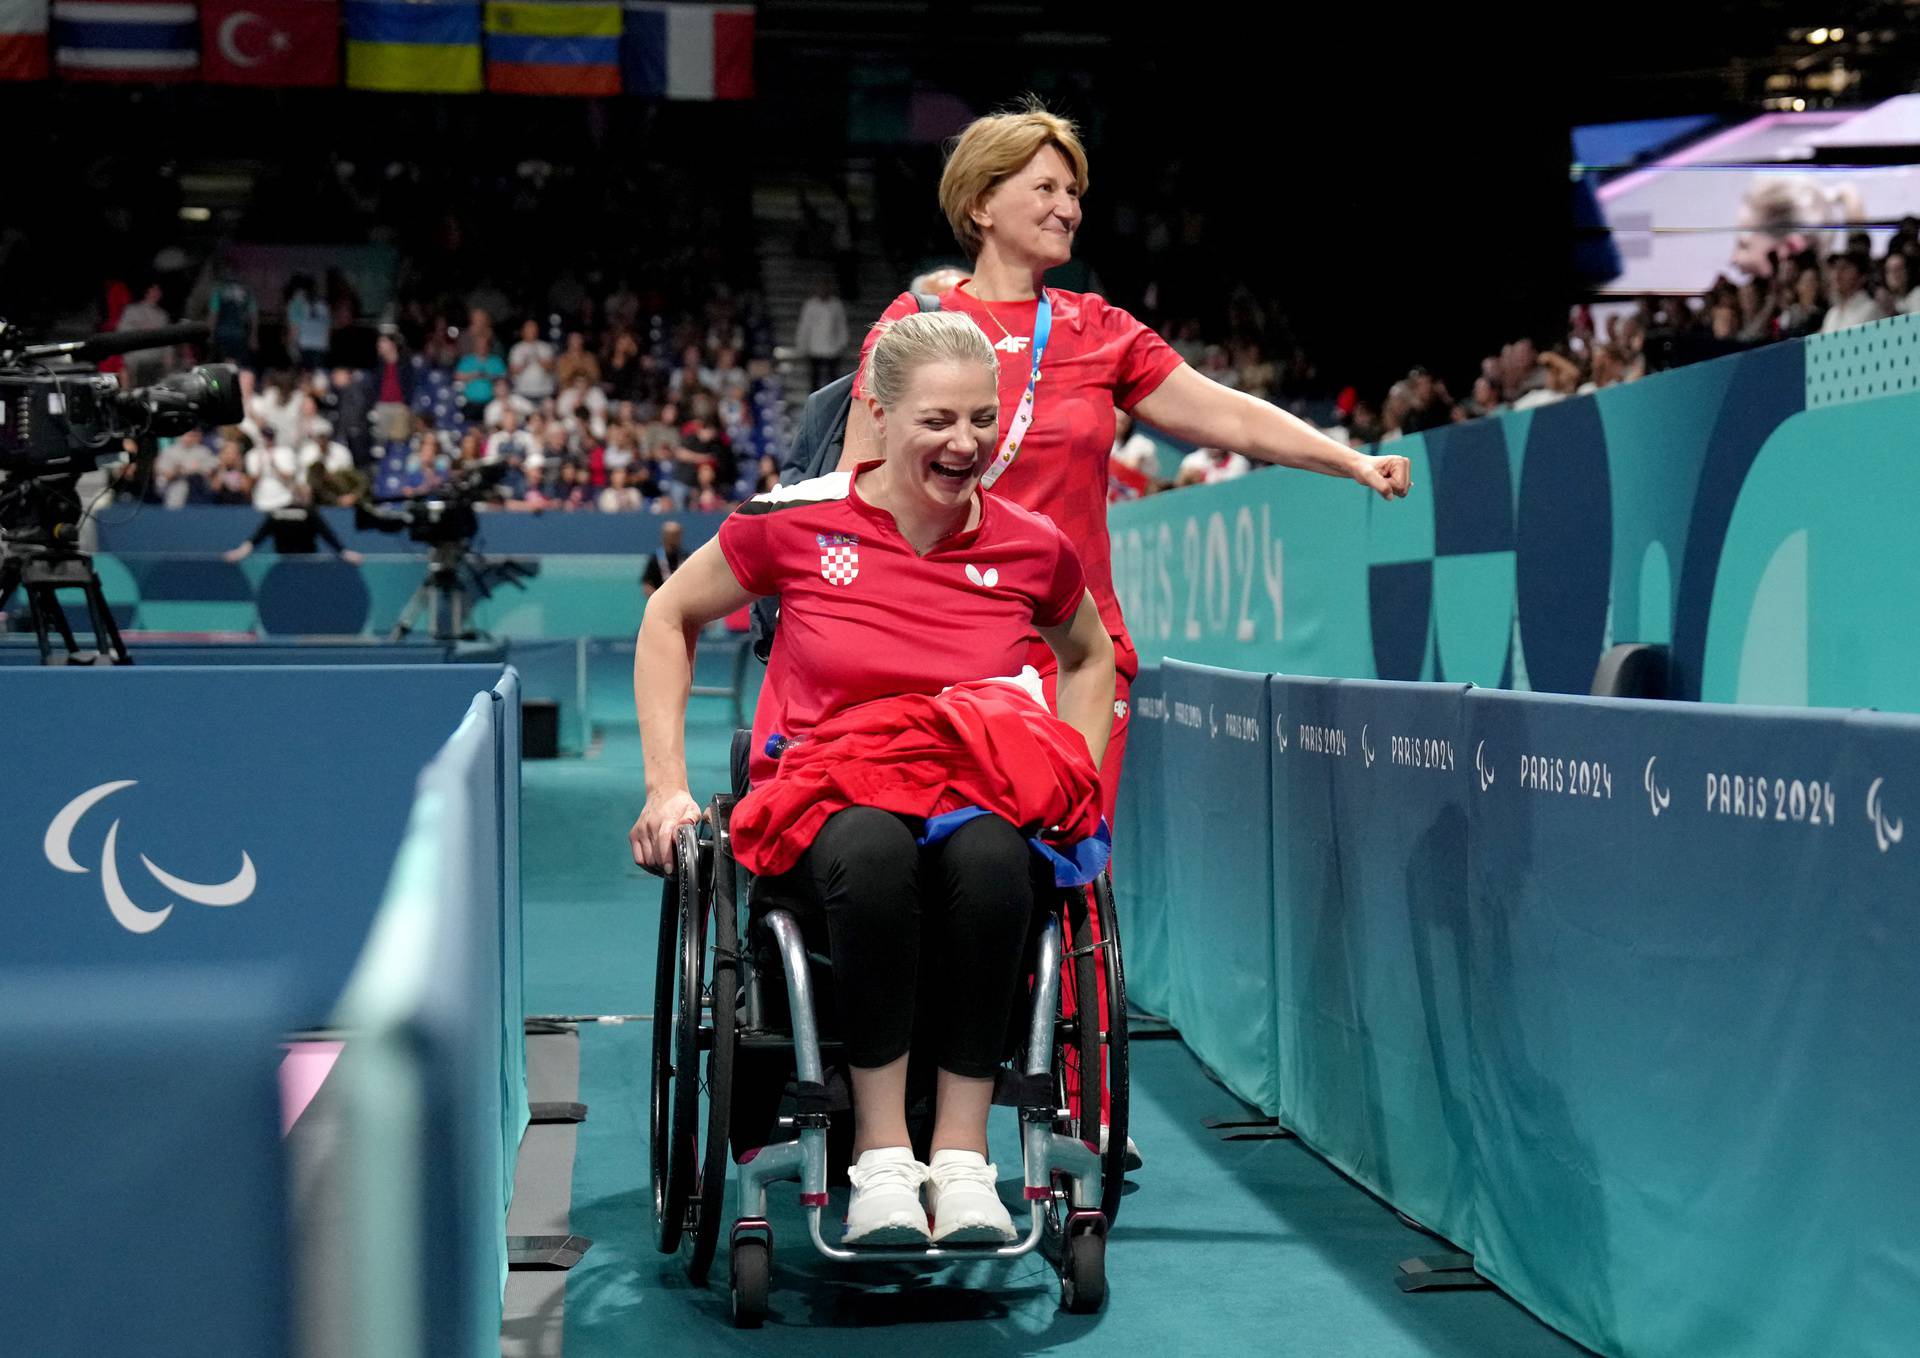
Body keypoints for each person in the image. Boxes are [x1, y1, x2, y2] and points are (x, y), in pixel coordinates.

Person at [630, 311, 1115, 1246]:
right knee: (871, 848)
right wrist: (665, 786)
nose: (964, 443)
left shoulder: (1030, 545)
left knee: (994, 859)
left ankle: (965, 1158)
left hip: (969, 793)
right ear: (879, 415)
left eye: (982, 419)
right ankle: (885, 1157)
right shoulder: (796, 524)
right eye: (937, 420)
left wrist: (1071, 776)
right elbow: (669, 616)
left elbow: (1090, 656)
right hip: (824, 797)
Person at [840, 100, 1411, 829]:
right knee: (957, 873)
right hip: (940, 640)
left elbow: (1226, 412)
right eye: (1045, 187)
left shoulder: (1099, 331)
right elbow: (853, 490)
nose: (1067, 208)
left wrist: (1348, 461)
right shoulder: (914, 330)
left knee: (1066, 866)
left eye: (1074, 192)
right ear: (982, 203)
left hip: (1075, 652)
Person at [223, 480, 365, 564]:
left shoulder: (276, 513)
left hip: (284, 563)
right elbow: (327, 535)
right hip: (306, 565)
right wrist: (344, 552)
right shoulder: (310, 513)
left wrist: (240, 552)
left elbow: (257, 538)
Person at [795, 280, 851, 390]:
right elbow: (805, 326)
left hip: (832, 348)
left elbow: (841, 325)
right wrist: (802, 345)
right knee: (814, 378)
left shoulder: (836, 304)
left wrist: (842, 343)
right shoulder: (810, 304)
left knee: (833, 379)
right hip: (814, 348)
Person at [640, 520, 685, 596]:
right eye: (672, 536)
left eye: (678, 535)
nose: (676, 539)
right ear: (664, 536)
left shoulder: (685, 557)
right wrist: (659, 599)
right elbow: (647, 584)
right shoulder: (655, 559)